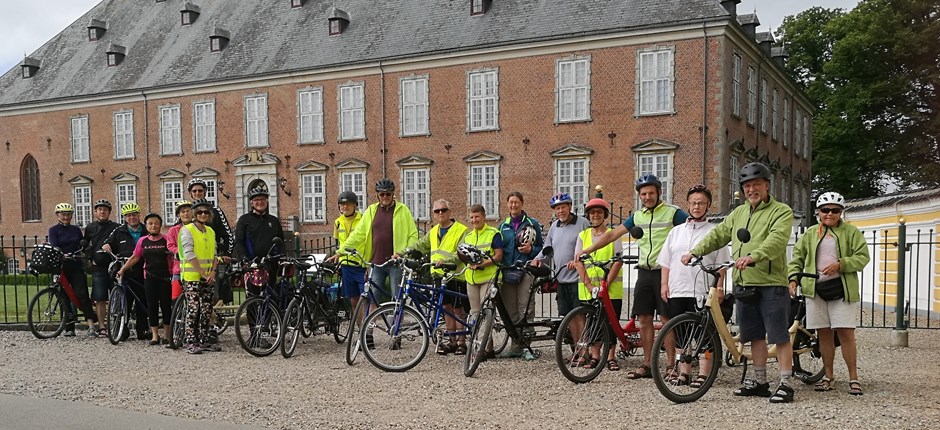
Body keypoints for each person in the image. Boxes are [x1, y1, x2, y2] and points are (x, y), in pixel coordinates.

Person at [684, 162, 796, 403]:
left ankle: (786, 383)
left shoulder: (781, 211)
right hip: (744, 282)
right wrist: (695, 251)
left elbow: (777, 240)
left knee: (779, 335)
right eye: (747, 185)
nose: (752, 189)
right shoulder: (738, 213)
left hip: (770, 282)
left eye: (756, 184)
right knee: (754, 335)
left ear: (767, 185)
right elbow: (718, 234)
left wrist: (754, 256)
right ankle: (760, 381)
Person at [577, 174, 688, 379]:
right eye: (643, 194)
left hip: (666, 272)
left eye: (651, 193)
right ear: (639, 195)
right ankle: (647, 364)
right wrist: (589, 249)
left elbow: (691, 230)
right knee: (644, 319)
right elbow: (612, 235)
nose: (647, 197)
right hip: (644, 272)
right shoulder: (637, 216)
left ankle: (671, 365)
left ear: (659, 193)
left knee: (667, 319)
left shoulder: (674, 214)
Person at [788, 191, 869, 396]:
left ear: (841, 212)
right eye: (825, 210)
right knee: (824, 334)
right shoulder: (810, 233)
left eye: (835, 210)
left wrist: (841, 265)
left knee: (846, 333)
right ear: (819, 212)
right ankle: (828, 376)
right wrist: (793, 278)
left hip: (841, 289)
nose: (830, 214)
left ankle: (853, 377)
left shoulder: (851, 232)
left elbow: (862, 257)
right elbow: (797, 257)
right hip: (815, 289)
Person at [657, 185, 730, 387]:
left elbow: (722, 265)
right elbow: (665, 261)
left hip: (702, 289)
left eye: (701, 203)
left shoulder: (714, 232)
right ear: (688, 205)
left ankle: (704, 374)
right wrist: (664, 284)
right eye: (693, 202)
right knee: (681, 335)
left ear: (708, 206)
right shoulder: (676, 232)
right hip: (678, 288)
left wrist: (721, 287)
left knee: (704, 334)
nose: (696, 206)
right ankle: (684, 372)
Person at [398, 199, 470, 355]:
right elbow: (419, 245)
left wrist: (446, 261)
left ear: (449, 211)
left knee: (458, 309)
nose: (440, 214)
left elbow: (462, 253)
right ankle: (452, 341)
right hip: (438, 275)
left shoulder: (461, 230)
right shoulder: (433, 231)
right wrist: (402, 253)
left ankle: (462, 342)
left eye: (443, 210)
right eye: (437, 211)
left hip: (455, 274)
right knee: (445, 308)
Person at [337, 179, 418, 298]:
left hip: (395, 262)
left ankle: (397, 317)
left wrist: (403, 253)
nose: (385, 196)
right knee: (372, 297)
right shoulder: (371, 210)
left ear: (393, 194)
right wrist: (340, 251)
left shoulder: (403, 210)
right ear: (377, 195)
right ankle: (373, 317)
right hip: (376, 262)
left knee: (397, 298)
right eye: (382, 194)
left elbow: (413, 234)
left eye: (388, 194)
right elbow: (358, 234)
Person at [573, 197, 623, 371]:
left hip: (610, 288)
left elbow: (618, 260)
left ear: (605, 215)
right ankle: (595, 356)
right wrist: (588, 284)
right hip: (589, 289)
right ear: (588, 215)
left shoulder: (612, 234)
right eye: (592, 213)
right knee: (592, 322)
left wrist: (606, 284)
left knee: (611, 322)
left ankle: (611, 356)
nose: (595, 215)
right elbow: (578, 260)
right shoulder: (583, 235)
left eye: (599, 213)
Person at [497, 191, 543, 359]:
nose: (513, 205)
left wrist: (531, 250)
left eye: (516, 202)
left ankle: (526, 346)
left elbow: (542, 249)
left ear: (522, 204)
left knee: (526, 308)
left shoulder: (533, 223)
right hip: (507, 271)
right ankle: (515, 344)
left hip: (526, 271)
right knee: (510, 311)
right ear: (507, 204)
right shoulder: (503, 226)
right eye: (511, 202)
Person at [117, 213, 173, 345]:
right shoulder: (143, 241)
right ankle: (154, 335)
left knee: (166, 306)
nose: (154, 226)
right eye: (150, 223)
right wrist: (123, 269)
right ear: (146, 226)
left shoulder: (166, 240)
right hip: (149, 277)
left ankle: (166, 334)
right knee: (151, 306)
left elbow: (174, 256)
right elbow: (135, 257)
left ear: (160, 225)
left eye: (156, 223)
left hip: (165, 277)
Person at [534, 193, 590, 318]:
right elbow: (547, 248)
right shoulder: (554, 226)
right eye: (557, 208)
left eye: (563, 207)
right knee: (566, 317)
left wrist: (578, 260)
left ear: (570, 206)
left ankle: (582, 338)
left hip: (578, 279)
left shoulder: (583, 223)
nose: (560, 211)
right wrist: (537, 259)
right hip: (561, 279)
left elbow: (589, 248)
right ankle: (572, 338)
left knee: (579, 316)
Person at [48, 203, 99, 337]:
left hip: (75, 264)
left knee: (82, 294)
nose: (66, 217)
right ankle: (69, 327)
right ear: (58, 215)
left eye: (69, 214)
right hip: (60, 267)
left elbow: (82, 243)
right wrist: (60, 252)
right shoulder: (53, 230)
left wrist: (84, 247)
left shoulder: (75, 229)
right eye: (63, 214)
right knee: (63, 297)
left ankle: (91, 325)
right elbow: (54, 245)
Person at [460, 204, 503, 361]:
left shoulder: (493, 233)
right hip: (472, 278)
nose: (474, 220)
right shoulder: (469, 236)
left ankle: (483, 349)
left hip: (489, 277)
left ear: (484, 217)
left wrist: (481, 264)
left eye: (477, 216)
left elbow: (498, 256)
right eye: (471, 217)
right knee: (475, 313)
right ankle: (485, 346)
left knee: (486, 313)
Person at [102, 202, 149, 341]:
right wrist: (106, 246)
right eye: (128, 216)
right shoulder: (119, 231)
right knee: (125, 301)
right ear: (124, 217)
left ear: (139, 215)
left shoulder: (146, 230)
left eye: (134, 215)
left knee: (142, 300)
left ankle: (142, 329)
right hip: (125, 270)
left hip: (143, 269)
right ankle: (123, 329)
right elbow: (108, 242)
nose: (131, 218)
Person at [179, 199, 219, 354]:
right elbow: (189, 254)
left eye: (206, 212)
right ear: (195, 214)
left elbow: (215, 254)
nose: (203, 214)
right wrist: (203, 273)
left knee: (207, 309)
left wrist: (213, 272)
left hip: (208, 276)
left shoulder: (210, 231)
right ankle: (190, 340)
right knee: (194, 308)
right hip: (192, 276)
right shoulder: (187, 230)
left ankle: (203, 339)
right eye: (200, 212)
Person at [187, 178, 234, 303]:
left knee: (213, 295)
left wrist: (226, 254)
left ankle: (214, 320)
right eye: (195, 191)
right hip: (191, 263)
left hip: (212, 261)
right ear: (190, 193)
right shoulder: (186, 212)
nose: (197, 193)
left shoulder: (216, 212)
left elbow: (228, 235)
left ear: (205, 192)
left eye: (200, 191)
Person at [234, 184, 285, 297]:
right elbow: (239, 242)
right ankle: (252, 315)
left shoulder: (274, 220)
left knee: (270, 298)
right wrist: (244, 259)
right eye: (256, 199)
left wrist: (281, 258)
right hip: (253, 264)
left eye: (262, 199)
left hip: (271, 264)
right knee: (253, 298)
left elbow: (280, 241)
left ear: (266, 201)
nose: (259, 202)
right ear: (251, 202)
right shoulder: (244, 220)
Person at [82, 199, 119, 335]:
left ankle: (116, 324)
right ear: (95, 212)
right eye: (99, 209)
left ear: (109, 212)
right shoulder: (91, 227)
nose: (102, 212)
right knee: (100, 298)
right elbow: (86, 245)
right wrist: (89, 259)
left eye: (105, 209)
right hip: (98, 268)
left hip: (113, 266)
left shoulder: (116, 227)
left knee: (116, 297)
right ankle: (102, 326)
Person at [326, 191, 366, 312]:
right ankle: (359, 329)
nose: (345, 207)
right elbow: (338, 244)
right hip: (346, 266)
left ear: (355, 205)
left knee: (365, 299)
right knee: (353, 300)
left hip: (361, 265)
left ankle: (367, 327)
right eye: (342, 205)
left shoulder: (363, 220)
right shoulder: (337, 222)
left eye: (348, 204)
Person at [166, 201, 194, 302]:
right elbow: (170, 245)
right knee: (176, 298)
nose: (186, 214)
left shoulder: (197, 228)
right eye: (183, 212)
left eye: (188, 211)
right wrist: (179, 252)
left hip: (195, 268)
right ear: (179, 215)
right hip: (179, 268)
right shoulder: (173, 230)